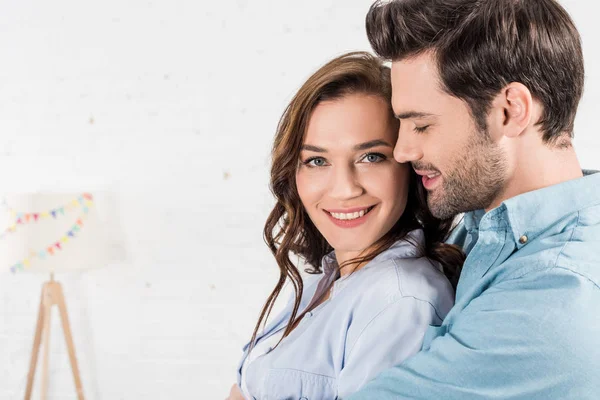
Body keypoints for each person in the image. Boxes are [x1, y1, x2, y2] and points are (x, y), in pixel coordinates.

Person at [346, 1, 600, 399]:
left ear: (509, 111)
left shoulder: (557, 299)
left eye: (422, 124)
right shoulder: (484, 229)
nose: (402, 150)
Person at [226, 52, 465, 400]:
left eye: (371, 157)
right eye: (317, 160)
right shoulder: (329, 277)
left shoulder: (399, 301)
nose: (344, 189)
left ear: (408, 164)